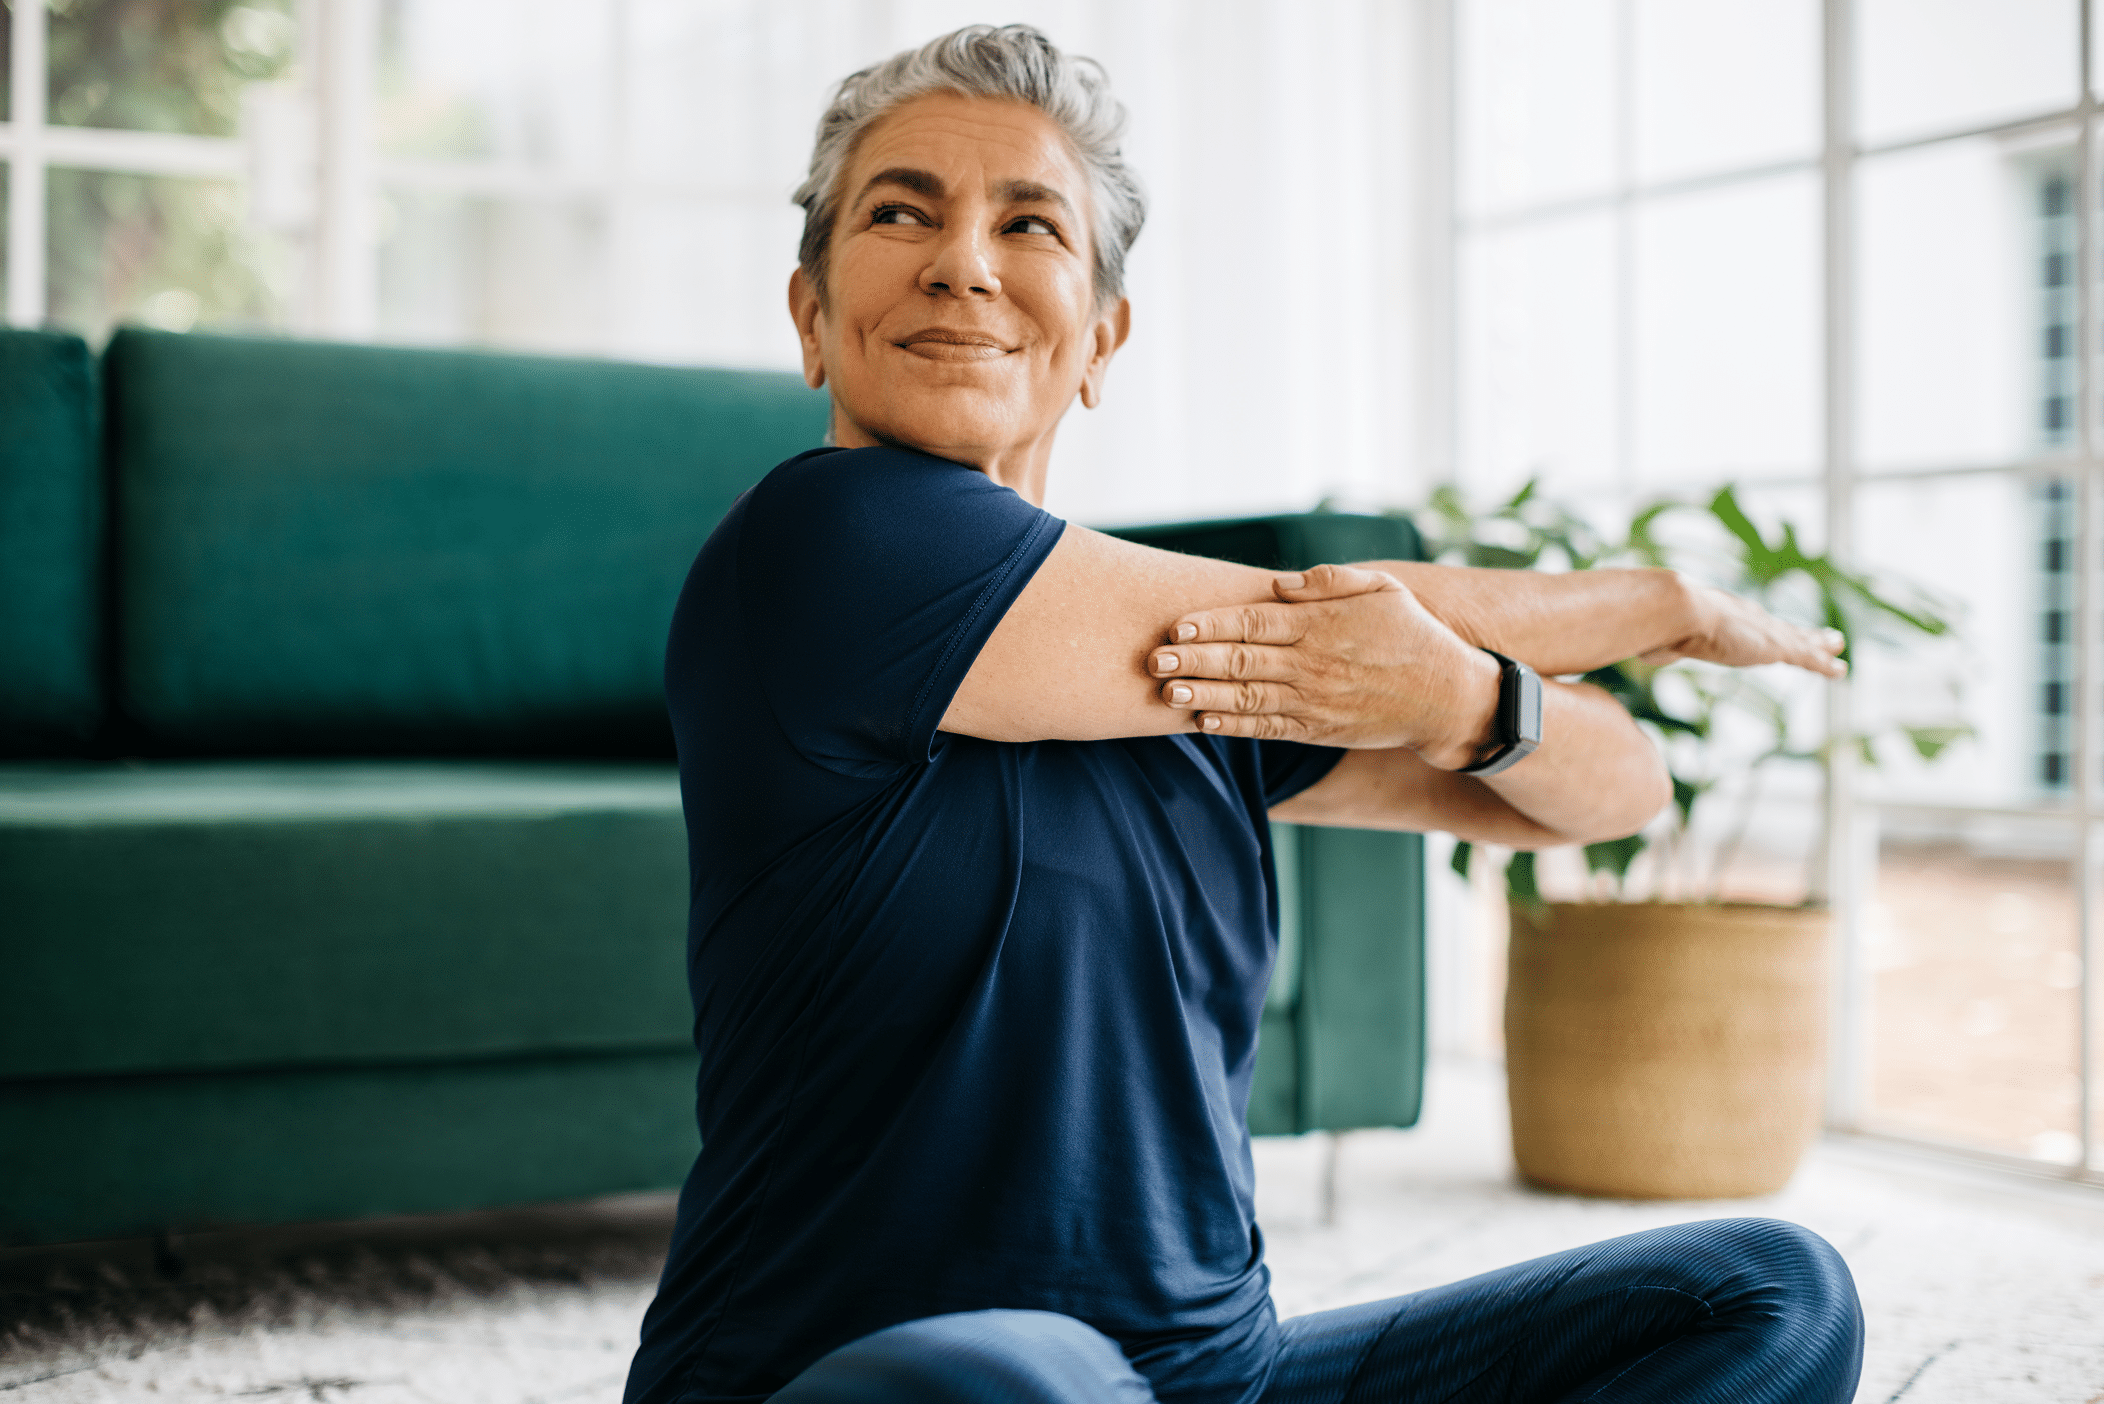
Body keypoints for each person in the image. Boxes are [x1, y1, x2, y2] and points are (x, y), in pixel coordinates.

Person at [625, 24, 1864, 1404]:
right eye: (901, 211)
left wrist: (1463, 696)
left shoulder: (1207, 680)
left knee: (1770, 1295)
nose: (962, 262)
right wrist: (1657, 604)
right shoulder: (816, 547)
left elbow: (1615, 793)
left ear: (1100, 336)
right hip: (867, 1378)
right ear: (810, 315)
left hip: (1215, 1377)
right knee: (1031, 1379)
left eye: (1026, 223)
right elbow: (1302, 610)